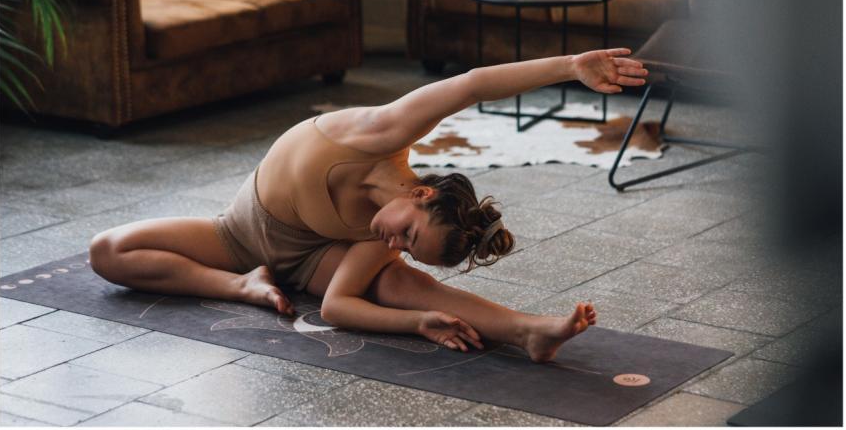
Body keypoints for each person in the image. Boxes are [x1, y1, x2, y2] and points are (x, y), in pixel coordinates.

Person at [89, 48, 647, 363]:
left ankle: (528, 330)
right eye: (407, 233)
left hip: (311, 261)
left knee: (404, 285)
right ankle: (241, 286)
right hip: (236, 237)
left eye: (406, 246)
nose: (393, 243)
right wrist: (571, 67)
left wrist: (416, 321)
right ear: (421, 193)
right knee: (109, 252)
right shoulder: (381, 133)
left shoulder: (373, 236)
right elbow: (473, 84)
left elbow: (336, 306)